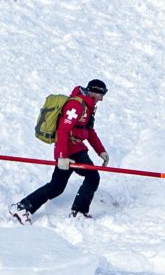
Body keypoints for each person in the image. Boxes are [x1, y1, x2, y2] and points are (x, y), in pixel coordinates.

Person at [10, 79, 110, 223]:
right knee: (92, 177)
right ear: (94, 91)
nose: (102, 98)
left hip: (75, 149)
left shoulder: (89, 107)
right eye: (102, 94)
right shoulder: (76, 105)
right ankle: (79, 212)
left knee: (57, 187)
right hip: (70, 151)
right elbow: (62, 131)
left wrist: (101, 151)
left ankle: (22, 207)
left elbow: (89, 131)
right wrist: (62, 156)